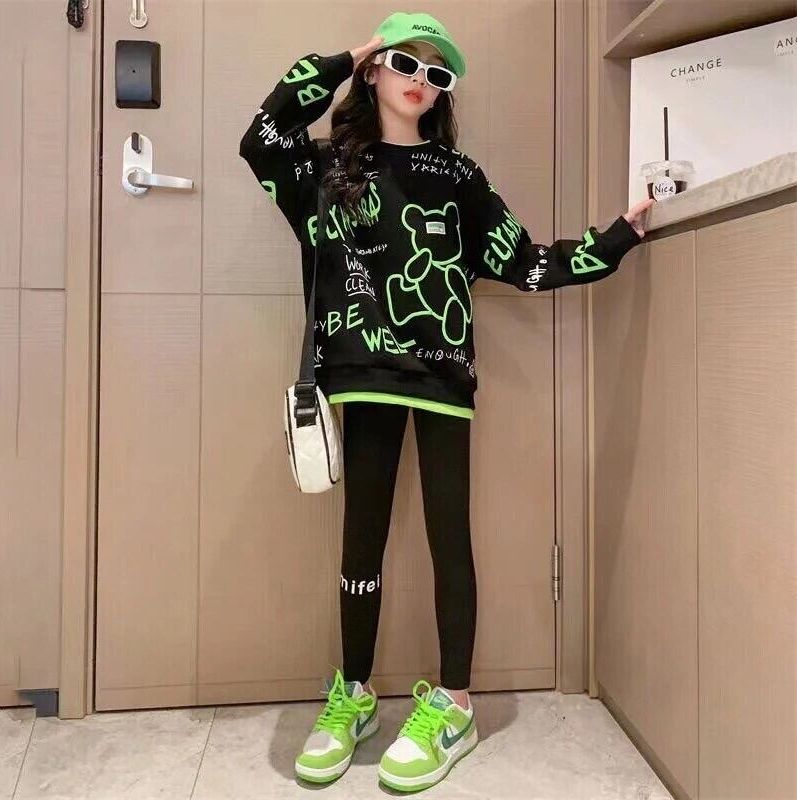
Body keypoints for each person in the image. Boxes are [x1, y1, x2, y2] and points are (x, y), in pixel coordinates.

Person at [239, 10, 652, 793]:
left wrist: (618, 239)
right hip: (361, 372)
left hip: (440, 378)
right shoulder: (326, 169)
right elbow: (261, 138)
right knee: (360, 542)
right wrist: (345, 57)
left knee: (448, 537)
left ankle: (455, 704)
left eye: (437, 73)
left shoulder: (457, 177)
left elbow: (525, 260)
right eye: (405, 62)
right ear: (374, 69)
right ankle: (354, 693)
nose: (420, 82)